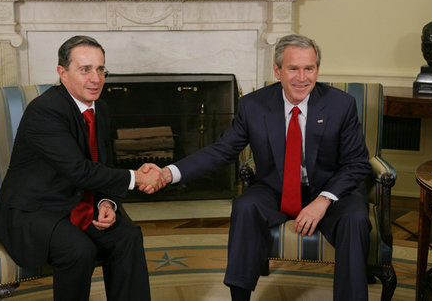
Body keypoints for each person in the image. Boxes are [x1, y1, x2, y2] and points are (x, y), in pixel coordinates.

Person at [155, 34, 372, 300]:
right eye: (293, 69)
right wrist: (168, 173)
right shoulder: (253, 105)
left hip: (332, 190)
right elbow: (222, 150)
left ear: (317, 69)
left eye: (309, 69)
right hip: (276, 188)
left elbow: (357, 163)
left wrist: (323, 200)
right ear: (277, 70)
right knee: (245, 206)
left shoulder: (341, 105)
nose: (302, 78)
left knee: (356, 218)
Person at [0, 35, 166, 301]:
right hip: (35, 210)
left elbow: (105, 164)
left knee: (127, 236)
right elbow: (79, 170)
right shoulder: (44, 111)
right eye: (85, 69)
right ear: (62, 73)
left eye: (100, 69)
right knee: (78, 250)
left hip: (81, 203)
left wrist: (107, 202)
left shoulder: (102, 109)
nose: (95, 79)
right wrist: (136, 177)